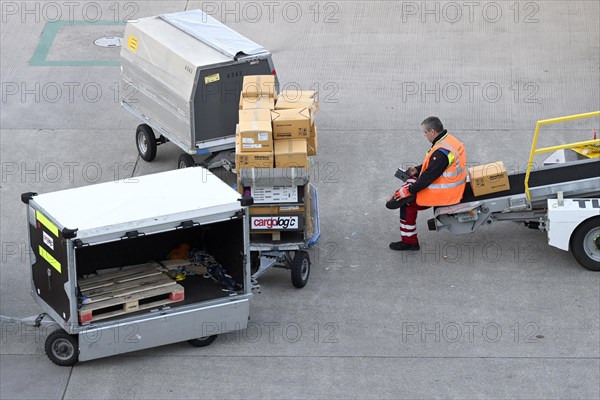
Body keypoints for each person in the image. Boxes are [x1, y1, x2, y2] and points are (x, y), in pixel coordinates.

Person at [389, 117, 467, 251]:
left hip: (446, 192)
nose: (424, 135)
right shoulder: (448, 140)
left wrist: (410, 191)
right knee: (412, 183)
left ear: (432, 131)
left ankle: (409, 242)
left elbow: (428, 177)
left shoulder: (441, 152)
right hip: (455, 185)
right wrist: (417, 170)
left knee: (407, 205)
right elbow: (434, 167)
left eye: (425, 132)